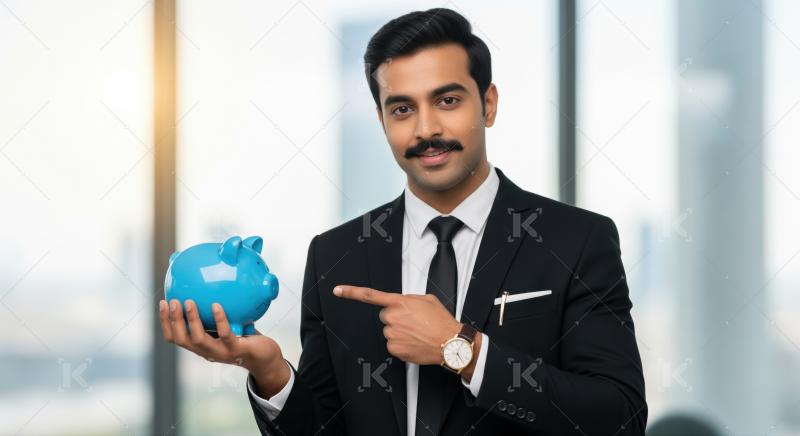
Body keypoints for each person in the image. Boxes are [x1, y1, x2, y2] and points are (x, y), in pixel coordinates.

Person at [159, 8, 647, 435]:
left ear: (489, 104)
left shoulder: (577, 240)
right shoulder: (336, 255)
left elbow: (618, 419)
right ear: (381, 121)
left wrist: (462, 350)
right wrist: (270, 373)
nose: (426, 129)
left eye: (448, 101)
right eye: (402, 108)